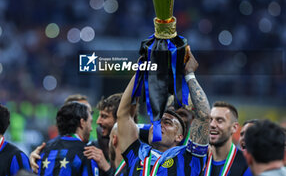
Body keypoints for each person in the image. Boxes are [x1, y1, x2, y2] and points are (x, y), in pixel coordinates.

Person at [117, 47, 211, 175]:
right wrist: (141, 71)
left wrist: (189, 74)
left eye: (167, 122)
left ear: (179, 136)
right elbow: (123, 114)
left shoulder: (189, 158)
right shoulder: (136, 153)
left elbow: (204, 116)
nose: (158, 124)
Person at [36, 102, 98, 175]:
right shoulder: (87, 153)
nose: (91, 129)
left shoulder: (43, 151)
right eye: (90, 122)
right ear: (82, 123)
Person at [207, 101, 252, 176]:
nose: (212, 125)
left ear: (234, 127)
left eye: (219, 121)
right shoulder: (199, 160)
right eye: (210, 120)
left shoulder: (247, 164)